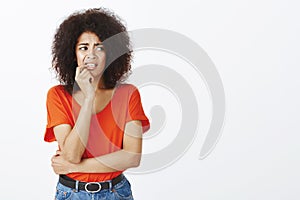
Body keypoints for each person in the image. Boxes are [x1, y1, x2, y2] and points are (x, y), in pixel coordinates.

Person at [44, 7, 150, 200]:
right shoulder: (57, 96)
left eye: (99, 47)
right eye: (83, 47)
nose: (91, 54)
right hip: (71, 193)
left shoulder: (128, 95)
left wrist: (72, 167)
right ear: (72, 54)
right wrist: (88, 99)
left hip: (116, 193)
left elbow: (131, 157)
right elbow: (72, 154)